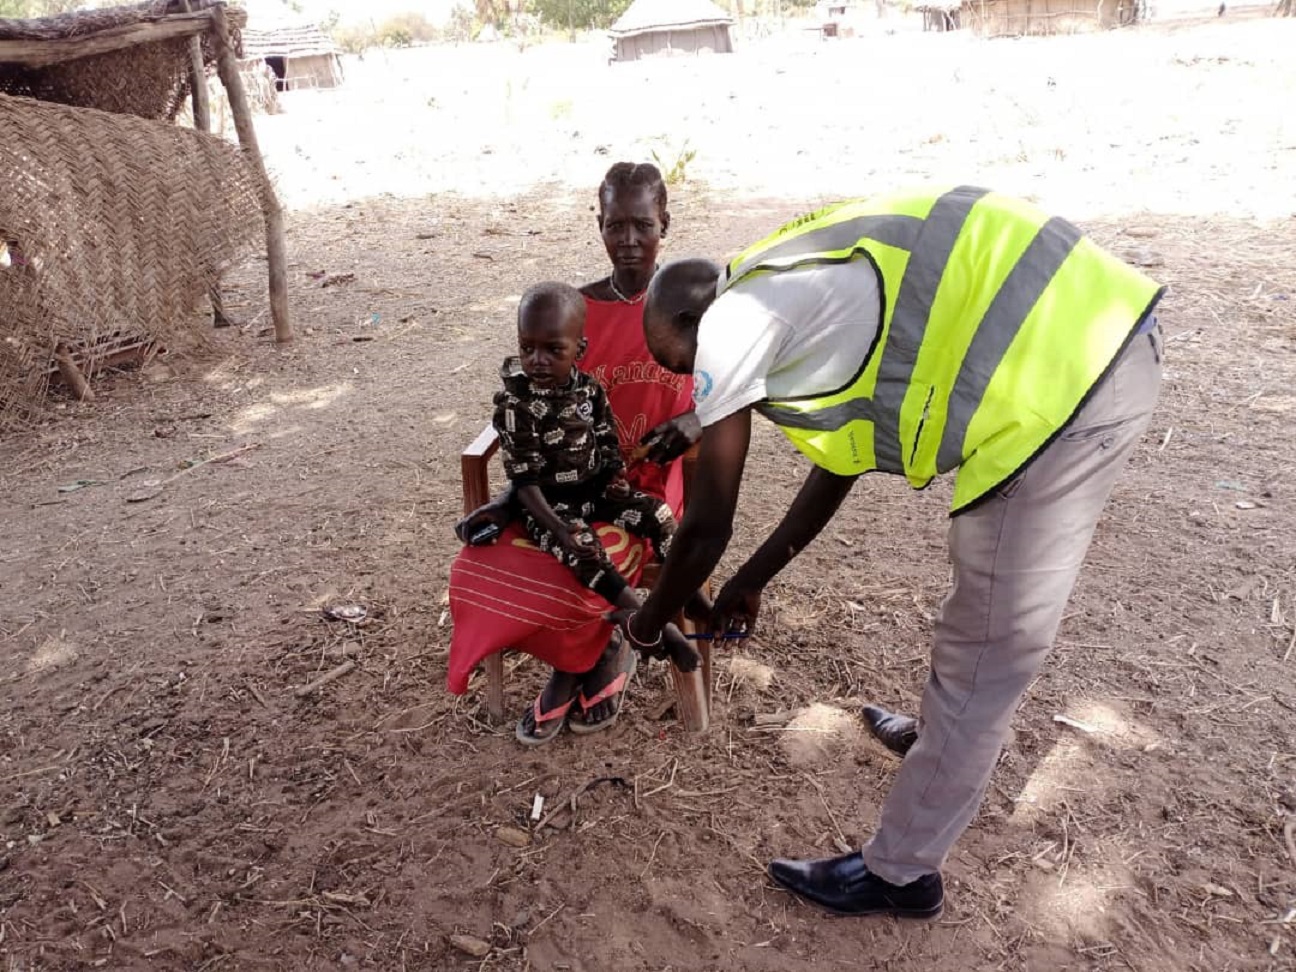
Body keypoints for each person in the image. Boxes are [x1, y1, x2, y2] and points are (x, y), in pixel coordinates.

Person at [619, 185, 1165, 918]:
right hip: (1075, 331)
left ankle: (903, 874)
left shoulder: (734, 321)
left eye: (678, 361)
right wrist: (753, 580)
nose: (692, 382)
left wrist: (648, 623)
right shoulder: (780, 278)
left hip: (1068, 379)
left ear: (691, 320)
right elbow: (843, 458)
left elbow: (706, 524)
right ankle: (936, 743)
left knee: (986, 647)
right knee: (973, 608)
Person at [446, 161, 702, 744]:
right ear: (600, 225)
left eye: (643, 224)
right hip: (568, 484)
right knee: (496, 557)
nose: (629, 240)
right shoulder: (572, 313)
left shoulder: (692, 305)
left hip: (653, 484)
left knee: (589, 550)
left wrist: (692, 418)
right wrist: (513, 497)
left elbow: (733, 395)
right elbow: (537, 416)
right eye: (616, 225)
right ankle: (591, 656)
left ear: (665, 222)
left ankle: (575, 668)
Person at [490, 281, 699, 675]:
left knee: (657, 515)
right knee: (585, 551)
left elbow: (605, 438)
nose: (537, 360)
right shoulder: (517, 405)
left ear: (579, 352)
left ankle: (681, 595)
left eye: (554, 350)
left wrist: (613, 477)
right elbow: (523, 481)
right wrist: (557, 527)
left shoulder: (588, 389)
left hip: (595, 490)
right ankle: (649, 623)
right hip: (549, 506)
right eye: (527, 347)